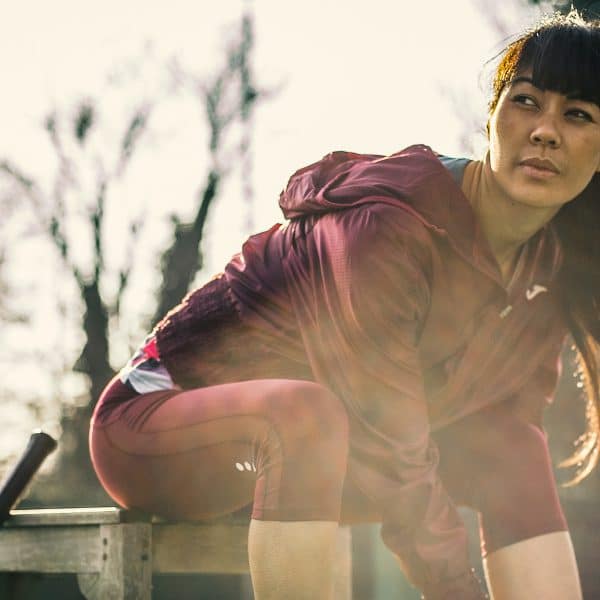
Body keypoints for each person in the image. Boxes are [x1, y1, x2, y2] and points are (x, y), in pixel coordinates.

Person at [89, 11, 600, 600]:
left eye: (578, 115)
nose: (545, 131)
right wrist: (458, 589)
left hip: (322, 467)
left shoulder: (552, 266)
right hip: (155, 429)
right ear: (493, 116)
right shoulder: (388, 228)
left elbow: (501, 424)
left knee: (512, 443)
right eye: (528, 102)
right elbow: (389, 437)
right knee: (308, 415)